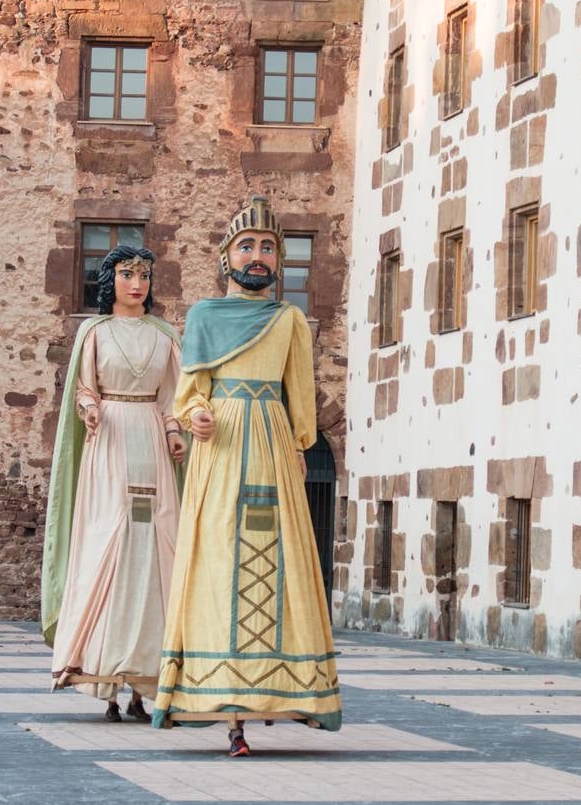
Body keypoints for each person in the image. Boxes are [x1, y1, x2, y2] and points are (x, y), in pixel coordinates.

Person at [153, 195, 341, 755]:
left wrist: (301, 444)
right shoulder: (205, 316)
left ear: (277, 262)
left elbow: (299, 394)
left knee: (279, 559)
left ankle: (280, 692)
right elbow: (189, 392)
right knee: (216, 560)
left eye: (267, 248)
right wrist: (195, 416)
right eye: (247, 246)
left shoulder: (290, 320)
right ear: (226, 256)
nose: (257, 256)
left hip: (273, 442)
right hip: (222, 445)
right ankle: (222, 697)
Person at [41, 244, 186, 722]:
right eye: (126, 274)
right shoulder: (95, 332)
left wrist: (173, 432)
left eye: (143, 274)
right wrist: (88, 407)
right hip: (110, 442)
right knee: (109, 542)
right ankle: (104, 681)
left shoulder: (165, 335)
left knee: (155, 552)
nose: (136, 283)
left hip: (150, 438)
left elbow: (173, 396)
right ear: (111, 280)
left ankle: (147, 686)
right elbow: (85, 386)